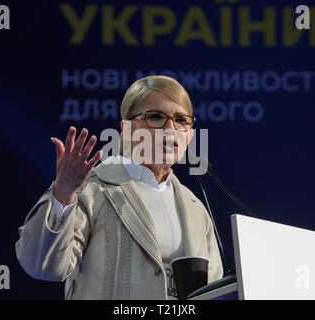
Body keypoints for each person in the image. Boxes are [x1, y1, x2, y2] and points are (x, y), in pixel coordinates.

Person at [15, 75, 223, 300]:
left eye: (181, 120)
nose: (171, 128)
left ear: (190, 134)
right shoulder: (94, 189)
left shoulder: (196, 209)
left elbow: (214, 291)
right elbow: (43, 267)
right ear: (128, 128)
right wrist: (63, 194)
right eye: (156, 117)